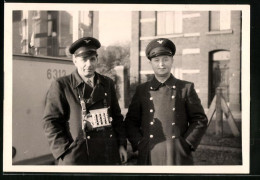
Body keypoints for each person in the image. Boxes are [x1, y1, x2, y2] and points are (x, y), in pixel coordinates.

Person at [42, 37, 127, 165]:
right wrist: (65, 152)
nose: (89, 64)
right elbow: (51, 122)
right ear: (75, 61)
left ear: (97, 59)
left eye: (92, 59)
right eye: (84, 59)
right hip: (77, 157)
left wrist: (121, 145)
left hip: (106, 154)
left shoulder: (107, 83)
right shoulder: (62, 85)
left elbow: (116, 117)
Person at [125, 38, 208, 165]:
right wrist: (140, 143)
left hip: (177, 154)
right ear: (150, 63)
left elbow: (199, 119)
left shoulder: (185, 88)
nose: (161, 64)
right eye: (156, 60)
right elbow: (131, 121)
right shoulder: (142, 90)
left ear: (172, 61)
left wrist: (186, 143)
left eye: (165, 59)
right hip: (150, 152)